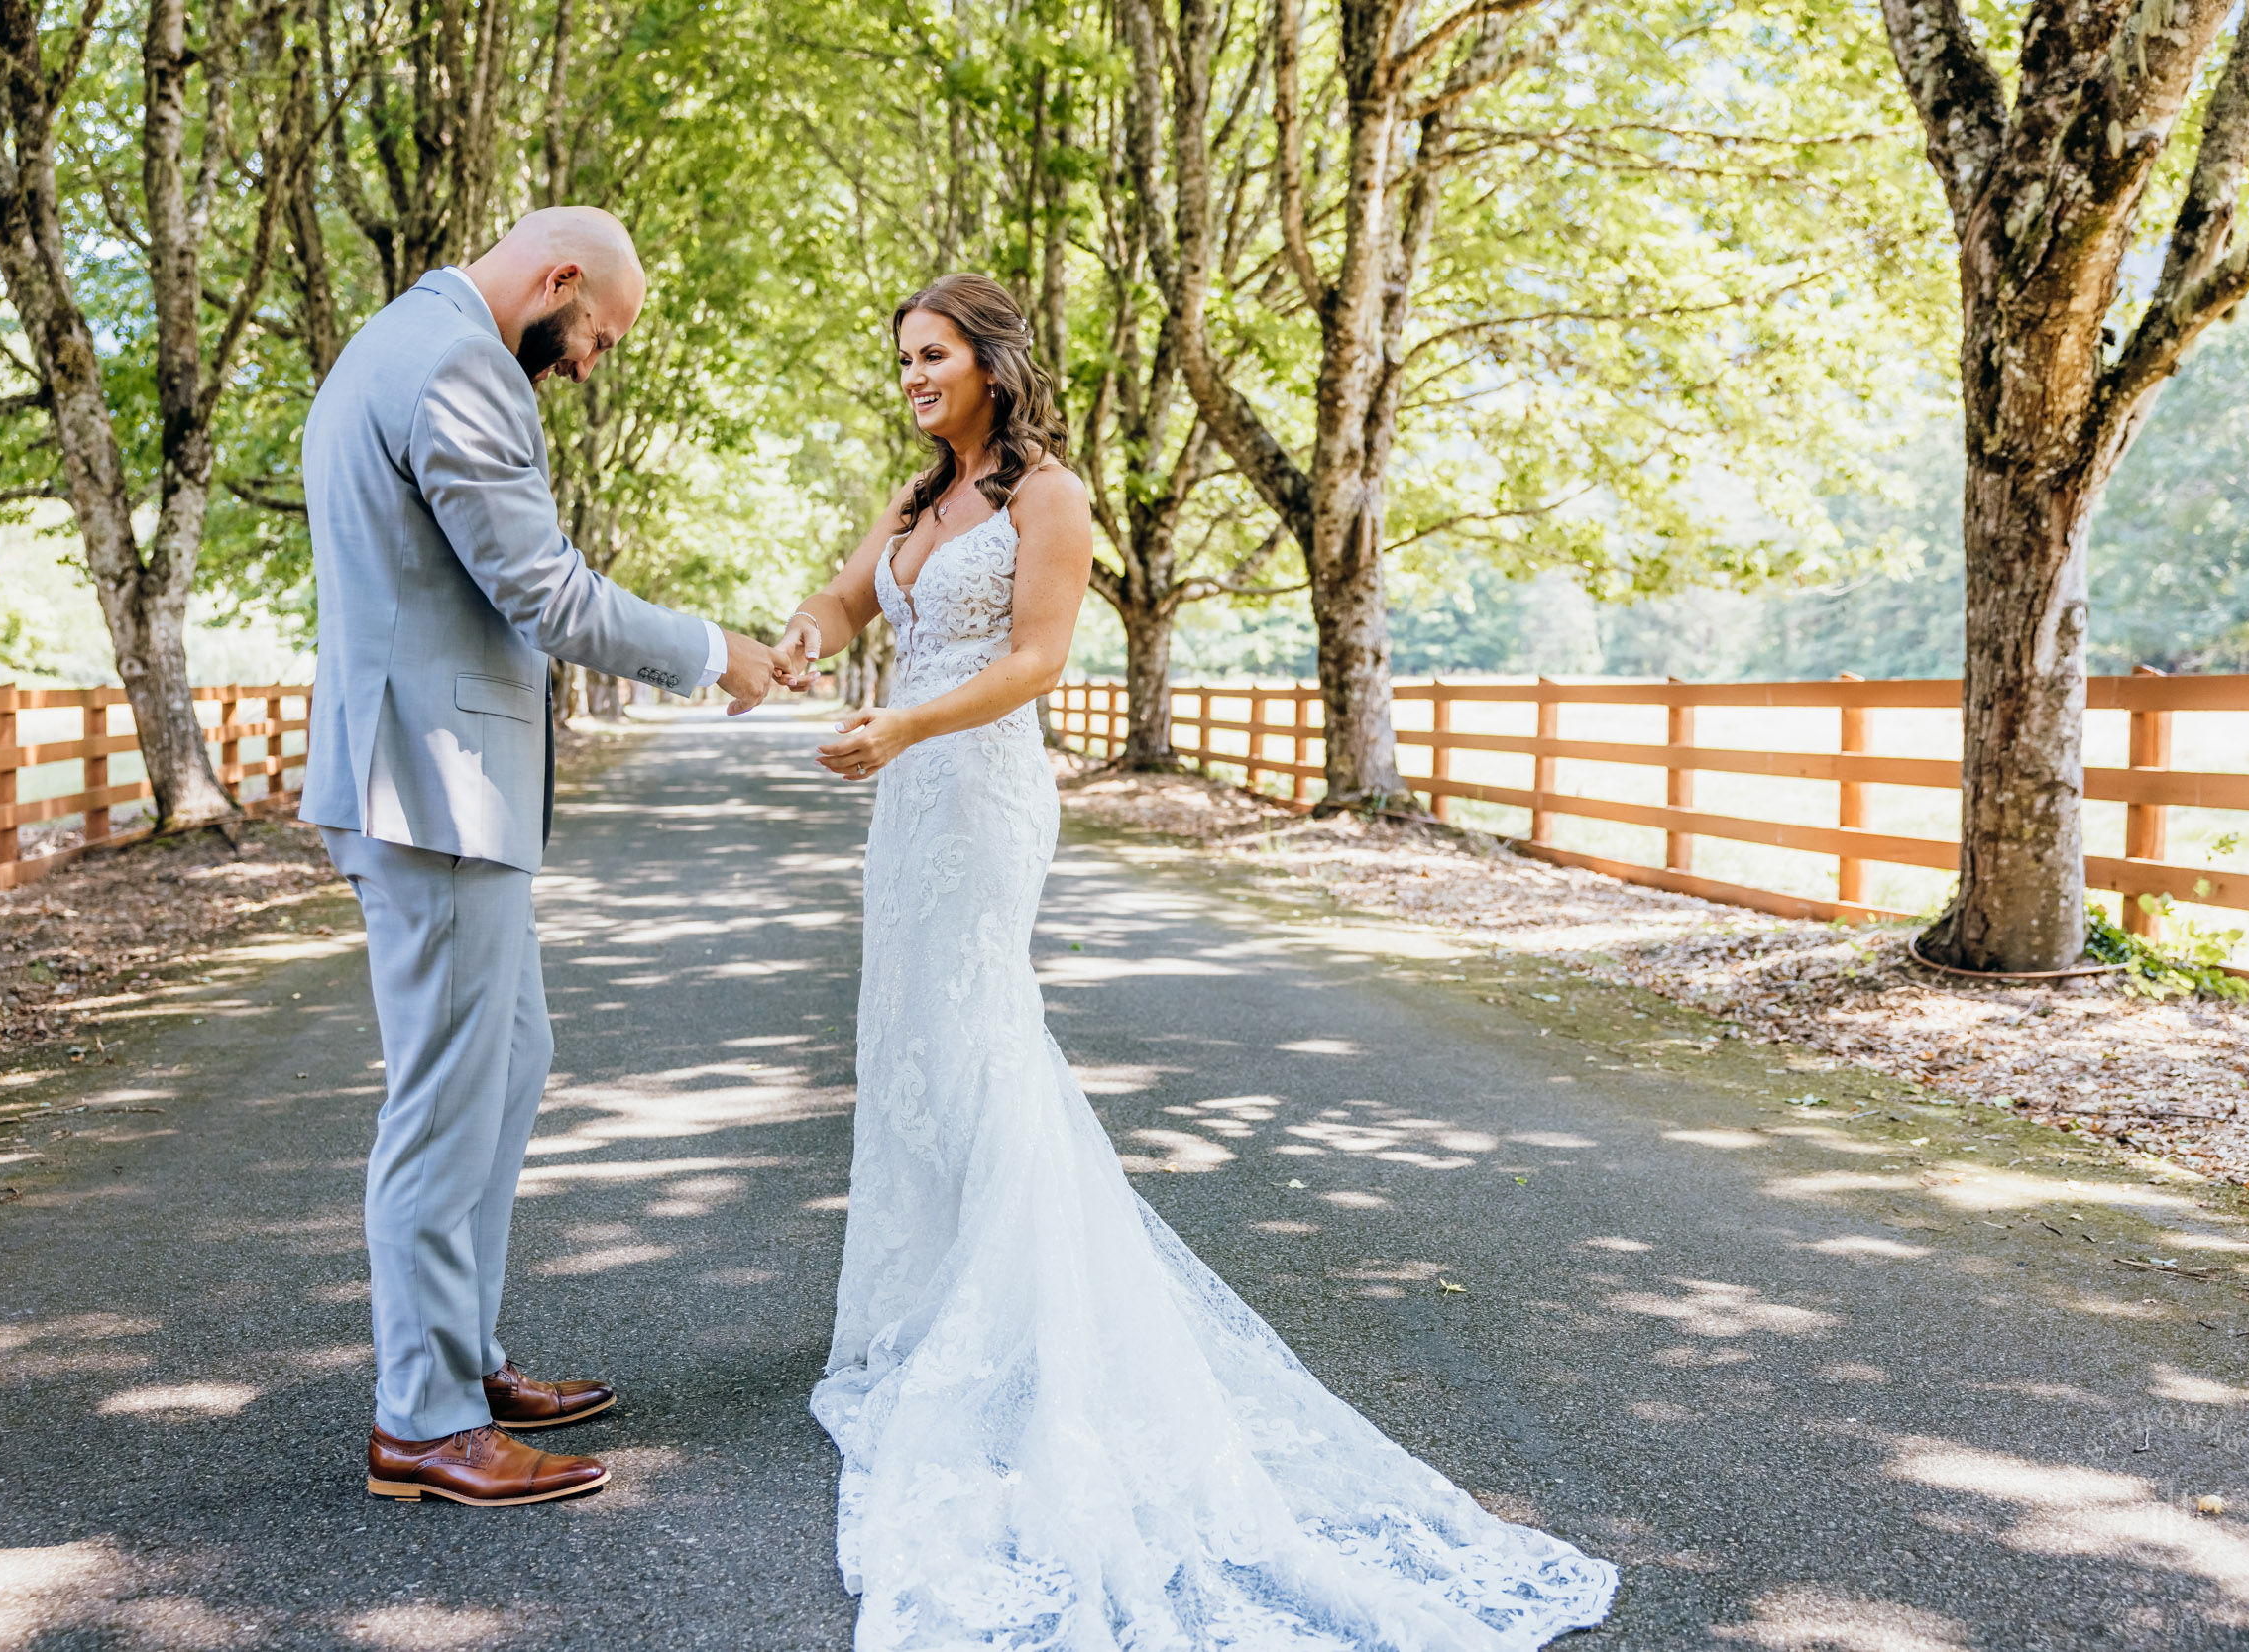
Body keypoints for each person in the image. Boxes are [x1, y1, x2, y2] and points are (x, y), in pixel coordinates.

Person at [774, 273, 1619, 1648]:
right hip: (907, 805)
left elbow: (1040, 658)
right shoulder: (919, 497)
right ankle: (934, 1307)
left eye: (932, 355)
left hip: (977, 791)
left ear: (991, 359)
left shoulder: (1047, 496)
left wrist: (909, 730)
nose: (914, 377)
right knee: (912, 1049)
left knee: (982, 1037)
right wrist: (810, 642)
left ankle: (1022, 1323)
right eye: (904, 360)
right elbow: (850, 600)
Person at [298, 206, 795, 1507]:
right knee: (446, 1103)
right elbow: (544, 590)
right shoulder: (455, 364)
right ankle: (420, 1420)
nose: (587, 365)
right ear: (558, 276)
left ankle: (459, 1363)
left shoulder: (401, 342)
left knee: (508, 1065)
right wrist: (710, 652)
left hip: (429, 783)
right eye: (594, 337)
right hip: (433, 790)